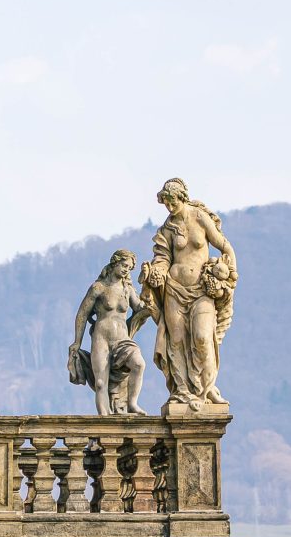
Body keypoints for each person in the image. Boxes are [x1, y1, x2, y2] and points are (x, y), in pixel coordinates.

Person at [141, 178, 237, 411]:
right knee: (175, 340)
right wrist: (158, 271)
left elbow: (224, 246)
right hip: (174, 290)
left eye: (171, 201)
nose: (169, 206)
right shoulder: (167, 228)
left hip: (201, 291)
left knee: (203, 337)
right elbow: (163, 257)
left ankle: (205, 388)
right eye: (165, 203)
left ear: (181, 197)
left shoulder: (199, 217)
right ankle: (182, 390)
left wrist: (228, 274)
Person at [69, 249, 150, 416]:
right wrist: (77, 341)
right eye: (124, 265)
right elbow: (82, 314)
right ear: (115, 263)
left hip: (123, 340)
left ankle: (132, 403)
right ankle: (105, 419)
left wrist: (148, 285)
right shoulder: (99, 288)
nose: (127, 269)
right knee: (100, 383)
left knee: (139, 364)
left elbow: (141, 308)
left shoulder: (127, 289)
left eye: (129, 267)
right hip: (101, 338)